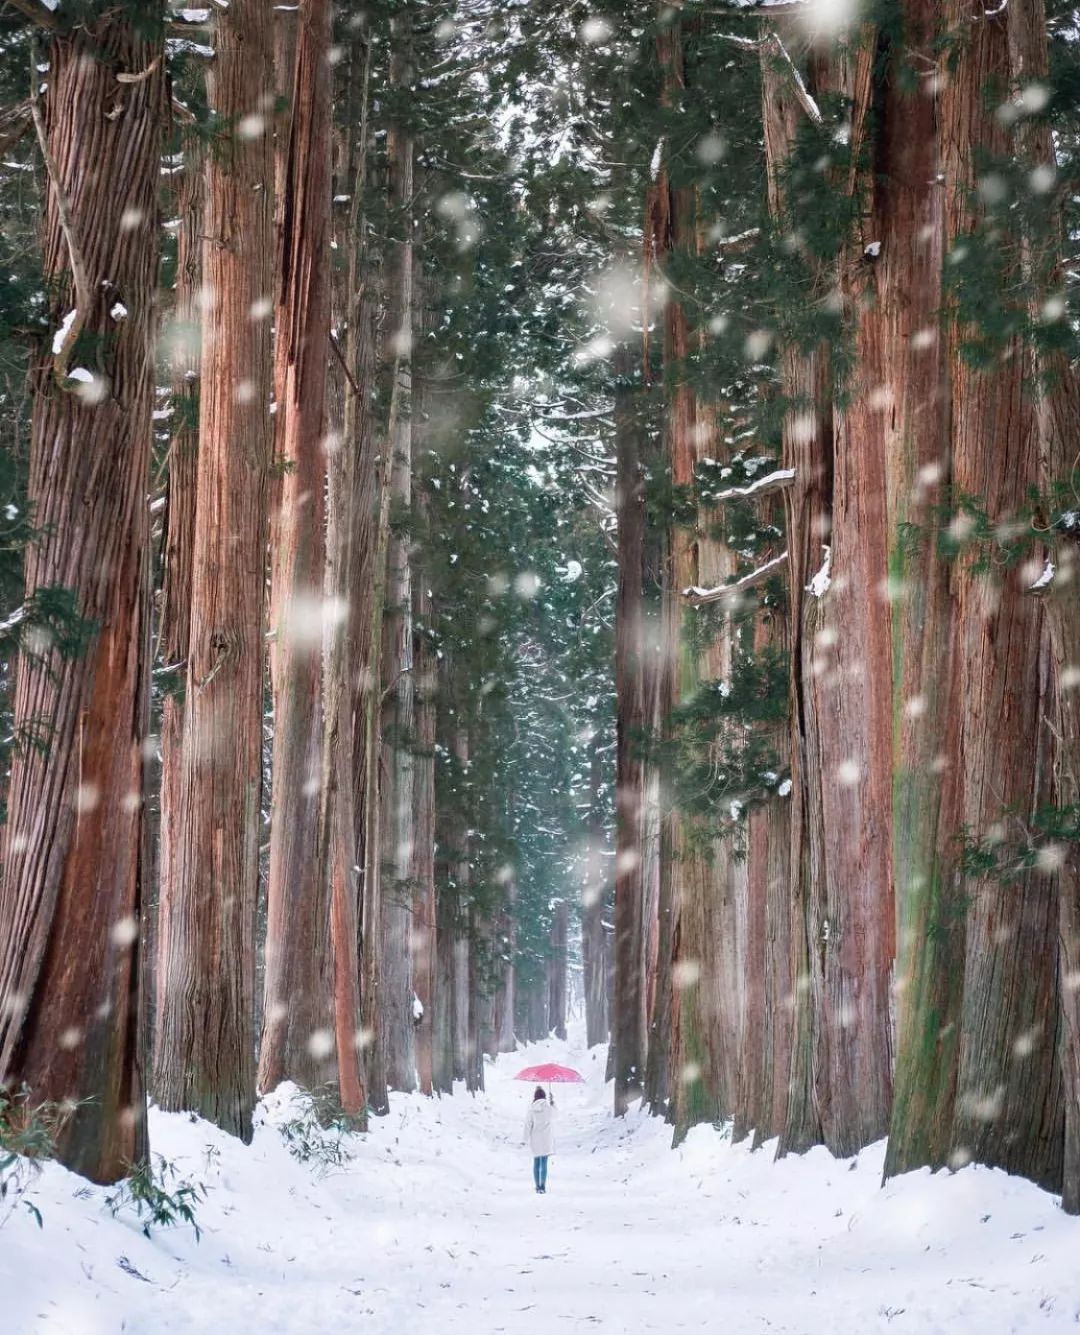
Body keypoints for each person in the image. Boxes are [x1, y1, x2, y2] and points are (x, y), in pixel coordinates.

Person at [523, 1085, 555, 1193]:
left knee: (536, 1162)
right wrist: (553, 1102)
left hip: (535, 1139)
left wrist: (525, 1139)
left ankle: (537, 1186)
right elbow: (557, 1114)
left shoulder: (532, 1110)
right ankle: (543, 1186)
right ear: (545, 1096)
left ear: (535, 1097)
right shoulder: (549, 1108)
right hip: (546, 1140)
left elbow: (528, 1125)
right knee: (544, 1163)